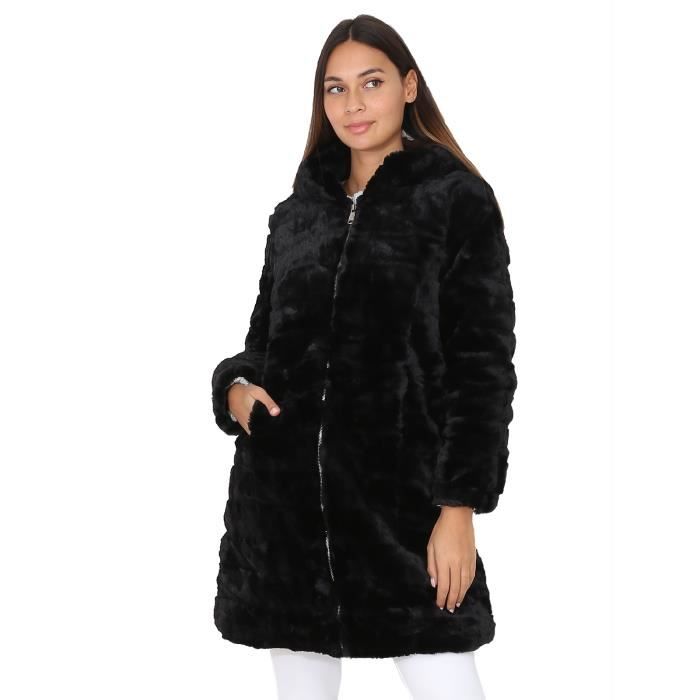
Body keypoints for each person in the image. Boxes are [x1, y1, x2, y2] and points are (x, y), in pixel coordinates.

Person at [211, 14, 517, 700]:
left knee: (448, 683)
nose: (353, 103)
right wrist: (234, 389)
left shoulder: (456, 203)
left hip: (402, 511)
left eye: (371, 83)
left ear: (408, 86)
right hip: (285, 514)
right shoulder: (297, 215)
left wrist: (459, 507)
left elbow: (483, 367)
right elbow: (261, 342)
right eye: (336, 88)